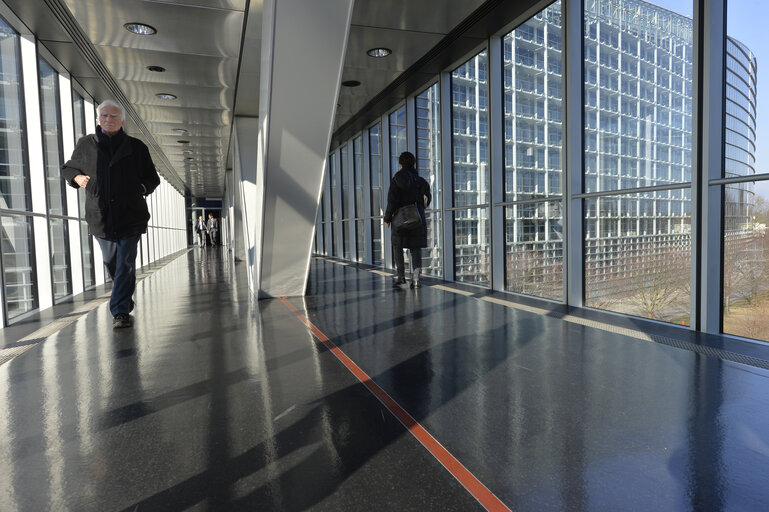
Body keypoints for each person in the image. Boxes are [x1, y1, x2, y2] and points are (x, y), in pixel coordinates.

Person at [62, 99, 160, 329]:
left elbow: (152, 178)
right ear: (98, 119)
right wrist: (77, 178)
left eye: (113, 116)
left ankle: (120, 312)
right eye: (104, 115)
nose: (108, 119)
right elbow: (69, 167)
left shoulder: (137, 147)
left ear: (122, 121)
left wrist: (140, 189)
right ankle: (124, 298)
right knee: (112, 262)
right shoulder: (86, 144)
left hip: (131, 215)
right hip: (100, 215)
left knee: (125, 262)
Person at [384, 151, 432, 288]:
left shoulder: (397, 179)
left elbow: (392, 201)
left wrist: (387, 218)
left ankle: (401, 278)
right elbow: (426, 201)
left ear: (400, 164)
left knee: (397, 246)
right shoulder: (422, 181)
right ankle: (416, 280)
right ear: (414, 164)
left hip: (400, 219)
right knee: (415, 248)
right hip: (417, 219)